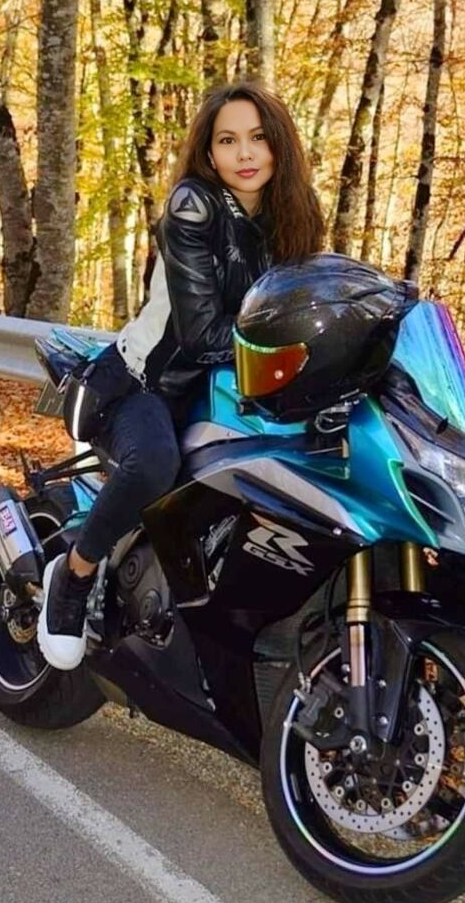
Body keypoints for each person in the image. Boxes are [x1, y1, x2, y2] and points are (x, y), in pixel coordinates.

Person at [37, 81, 325, 670]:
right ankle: (73, 575)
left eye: (258, 138)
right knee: (154, 464)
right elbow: (203, 335)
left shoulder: (293, 217)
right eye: (228, 141)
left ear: (280, 146)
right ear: (209, 153)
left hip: (231, 390)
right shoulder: (194, 206)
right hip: (150, 385)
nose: (245, 153)